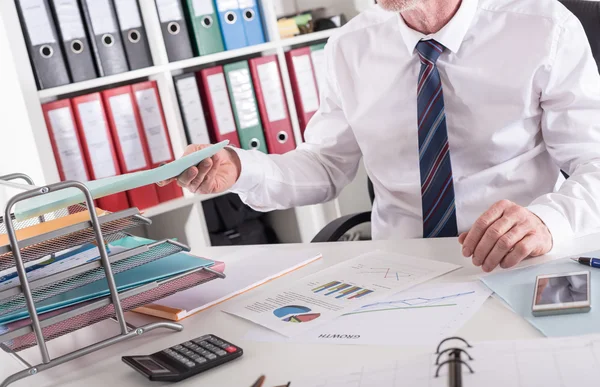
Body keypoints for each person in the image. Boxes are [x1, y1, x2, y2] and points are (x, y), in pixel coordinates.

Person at [161, 0, 600, 273]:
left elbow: (595, 162)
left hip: (515, 260)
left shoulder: (544, 27)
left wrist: (548, 222)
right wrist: (241, 168)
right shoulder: (349, 47)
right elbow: (326, 164)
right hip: (399, 270)